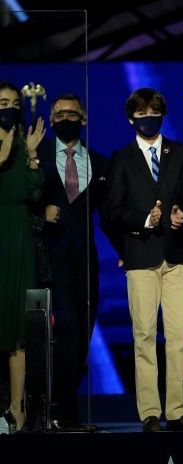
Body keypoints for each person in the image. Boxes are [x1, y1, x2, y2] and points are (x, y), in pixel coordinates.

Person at [105, 87, 183, 432]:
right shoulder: (122, 159)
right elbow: (113, 210)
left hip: (176, 253)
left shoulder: (180, 154)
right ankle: (149, 413)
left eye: (155, 113)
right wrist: (145, 220)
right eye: (143, 114)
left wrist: (182, 214)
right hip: (140, 255)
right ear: (132, 118)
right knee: (144, 335)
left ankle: (177, 412)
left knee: (177, 337)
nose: (150, 119)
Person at [30, 94, 111, 431]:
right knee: (63, 333)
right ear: (51, 117)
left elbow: (110, 214)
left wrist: (126, 247)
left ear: (84, 119)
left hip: (85, 262)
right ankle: (53, 411)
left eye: (72, 113)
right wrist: (41, 214)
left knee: (81, 333)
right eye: (60, 113)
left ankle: (65, 409)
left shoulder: (99, 162)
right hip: (49, 259)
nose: (66, 117)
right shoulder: (38, 156)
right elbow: (21, 200)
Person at [0, 80, 46, 432]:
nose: (10, 108)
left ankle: (18, 408)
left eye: (14, 103)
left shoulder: (23, 144)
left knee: (18, 330)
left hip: (18, 238)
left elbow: (34, 193)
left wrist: (30, 154)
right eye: (3, 102)